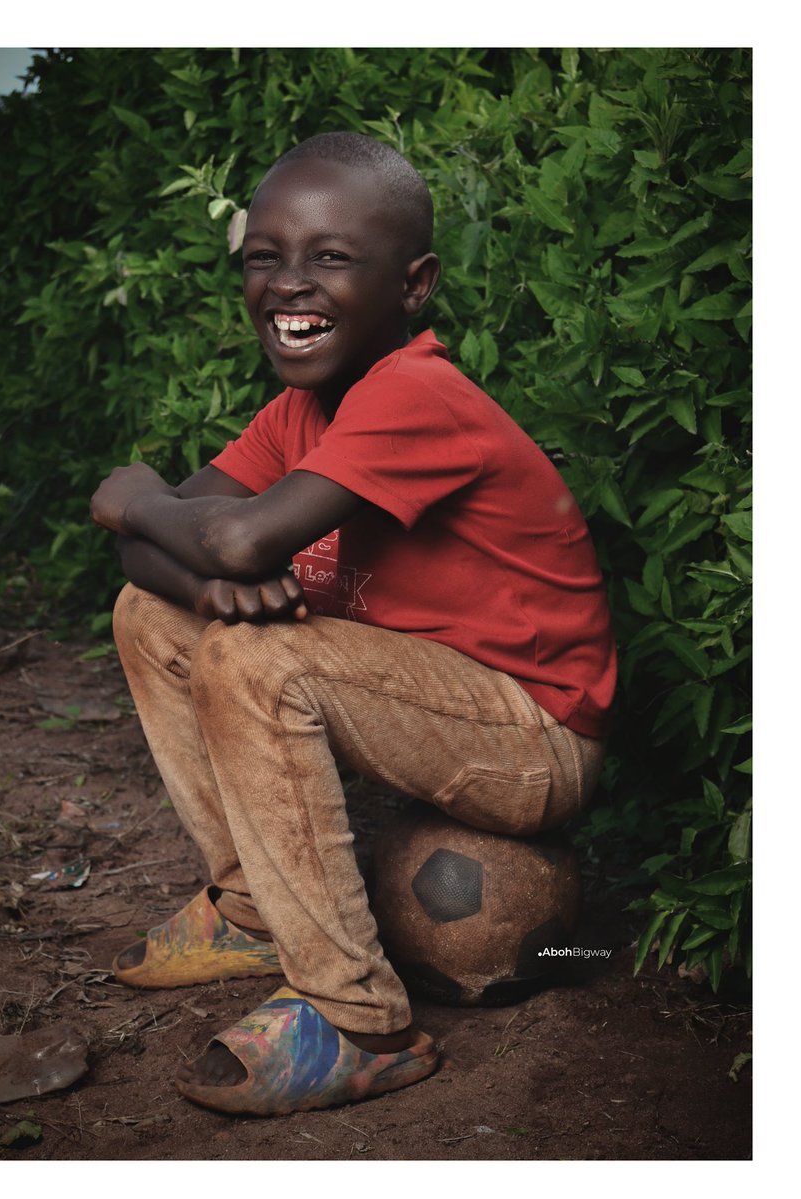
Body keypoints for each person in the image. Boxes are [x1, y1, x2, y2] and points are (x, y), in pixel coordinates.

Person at [90, 131, 616, 1118]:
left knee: (259, 657)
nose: (290, 283)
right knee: (151, 612)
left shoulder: (415, 393)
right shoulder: (299, 411)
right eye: (264, 256)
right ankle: (252, 909)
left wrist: (131, 496)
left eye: (331, 257)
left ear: (413, 285)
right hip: (416, 697)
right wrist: (196, 582)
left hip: (532, 734)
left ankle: (364, 1021)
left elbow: (238, 538)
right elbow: (163, 565)